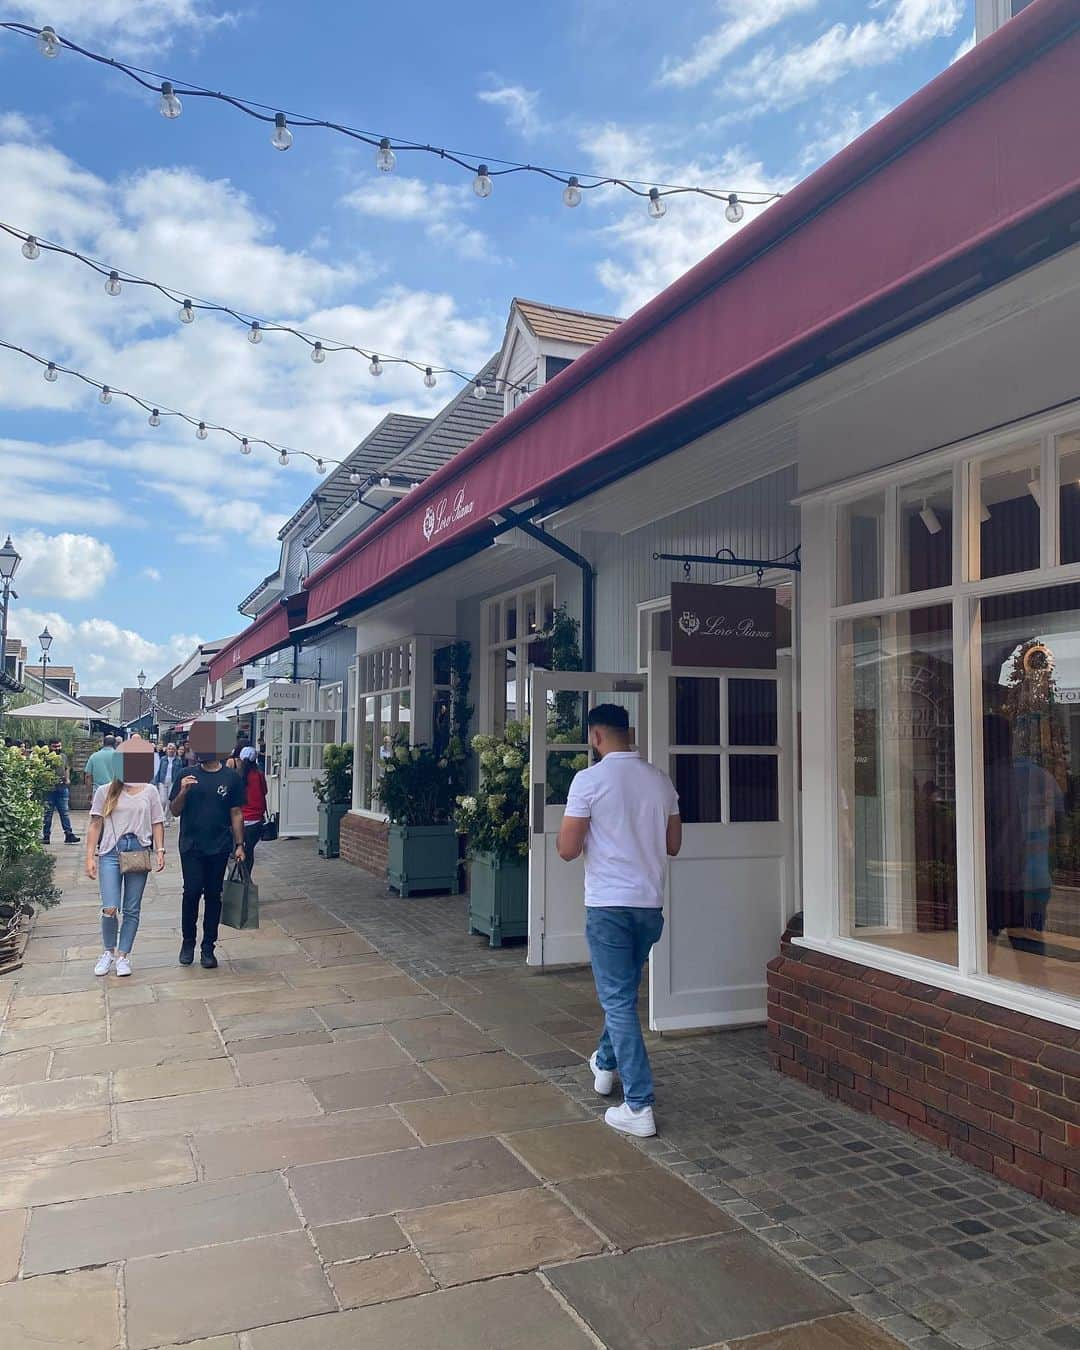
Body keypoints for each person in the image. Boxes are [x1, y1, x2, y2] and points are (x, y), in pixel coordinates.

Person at [557, 704, 681, 1139]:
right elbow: (673, 843)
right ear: (628, 732)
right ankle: (605, 1063)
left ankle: (639, 1104)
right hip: (648, 905)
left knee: (618, 1001)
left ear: (595, 736)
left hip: (608, 904)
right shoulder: (660, 780)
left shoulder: (588, 781)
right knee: (623, 992)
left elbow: (567, 849)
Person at [84, 738, 165, 977]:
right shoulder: (105, 790)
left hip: (138, 850)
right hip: (110, 850)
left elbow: (157, 822)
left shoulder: (149, 791)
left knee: (132, 908)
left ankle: (123, 955)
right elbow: (94, 824)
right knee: (110, 907)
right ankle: (108, 952)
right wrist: (90, 857)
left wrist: (160, 850)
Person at [170, 724, 245, 969]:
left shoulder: (231, 778)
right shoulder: (186, 774)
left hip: (219, 845)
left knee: (214, 895)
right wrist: (183, 792)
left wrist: (240, 844)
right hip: (191, 845)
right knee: (191, 892)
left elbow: (236, 813)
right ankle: (188, 942)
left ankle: (208, 947)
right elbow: (174, 810)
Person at [235, 745, 269, 873]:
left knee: (237, 850)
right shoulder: (259, 774)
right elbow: (264, 791)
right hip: (255, 819)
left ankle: (239, 876)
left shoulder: (236, 776)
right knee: (249, 851)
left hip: (238, 819)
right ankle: (247, 877)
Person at [42, 738, 80, 845]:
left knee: (65, 813)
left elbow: (67, 768)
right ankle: (46, 836)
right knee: (48, 814)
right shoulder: (45, 757)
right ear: (49, 746)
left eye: (59, 746)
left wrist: (67, 778)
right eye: (55, 746)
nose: (57, 748)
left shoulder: (63, 756)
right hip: (49, 789)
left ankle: (68, 834)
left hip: (62, 788)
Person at [154, 742, 182, 825]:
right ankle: (160, 817)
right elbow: (158, 770)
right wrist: (156, 782)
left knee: (169, 801)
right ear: (166, 750)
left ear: (175, 750)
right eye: (169, 749)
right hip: (163, 781)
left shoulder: (178, 760)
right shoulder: (163, 759)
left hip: (173, 781)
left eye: (172, 749)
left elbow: (180, 772)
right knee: (162, 800)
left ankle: (166, 819)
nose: (171, 750)